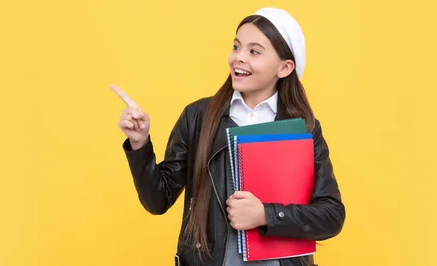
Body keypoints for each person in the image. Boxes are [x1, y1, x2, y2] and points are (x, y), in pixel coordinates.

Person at [111, 7, 345, 266]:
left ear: (285, 67)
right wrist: (140, 143)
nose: (238, 58)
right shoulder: (198, 116)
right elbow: (158, 200)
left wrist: (265, 215)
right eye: (236, 47)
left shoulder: (303, 129)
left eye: (254, 51)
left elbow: (331, 216)